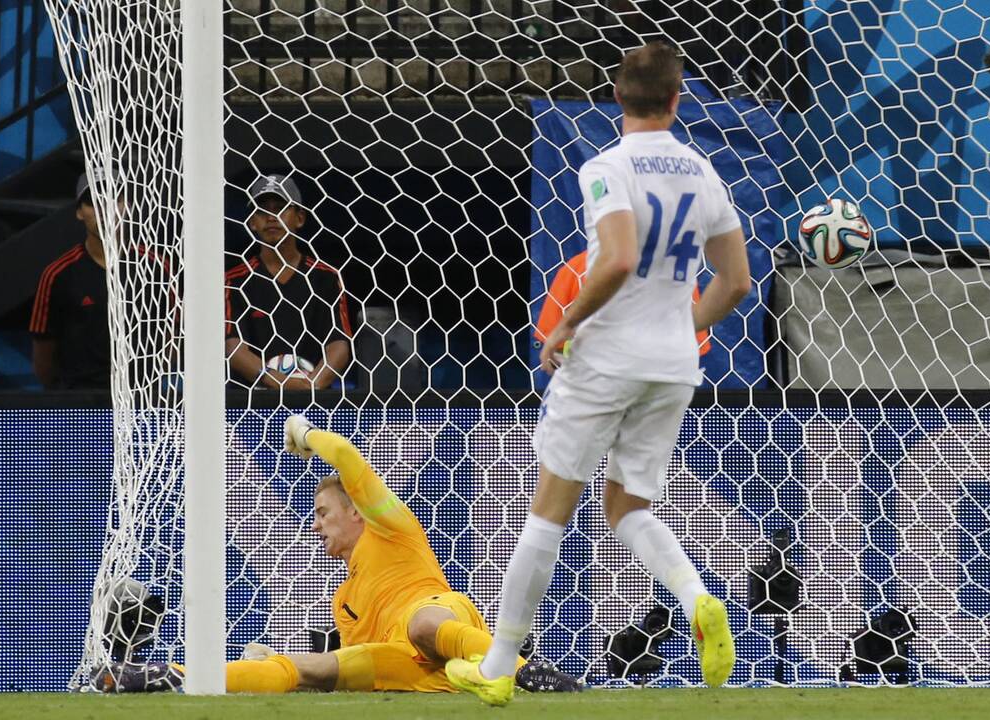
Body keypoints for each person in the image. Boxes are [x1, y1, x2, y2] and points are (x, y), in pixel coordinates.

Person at [446, 41, 752, 705]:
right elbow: (736, 280)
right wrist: (687, 326)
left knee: (548, 512)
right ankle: (698, 597)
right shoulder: (704, 173)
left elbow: (616, 258)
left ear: (617, 96)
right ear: (677, 100)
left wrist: (565, 324)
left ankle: (497, 668)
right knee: (627, 507)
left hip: (608, 357)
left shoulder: (607, 167)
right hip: (672, 366)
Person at [94, 415, 580, 695]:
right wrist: (278, 659)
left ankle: (527, 673)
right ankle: (170, 676)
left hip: (435, 615)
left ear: (356, 514)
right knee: (305, 667)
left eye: (324, 512)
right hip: (411, 668)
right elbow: (355, 658)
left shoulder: (392, 529)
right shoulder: (342, 600)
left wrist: (301, 432)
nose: (314, 523)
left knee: (423, 625)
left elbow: (346, 456)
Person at [225, 174, 353, 391]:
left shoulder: (326, 277)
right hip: (250, 406)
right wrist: (281, 383)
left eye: (280, 208)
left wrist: (312, 387)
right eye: (263, 210)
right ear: (252, 223)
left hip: (314, 401)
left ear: (300, 218)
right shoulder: (235, 280)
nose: (271, 217)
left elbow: (339, 345)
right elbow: (234, 348)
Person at [535, 248, 711, 358]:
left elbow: (554, 348)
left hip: (591, 391)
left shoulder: (675, 274)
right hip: (649, 392)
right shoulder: (676, 274)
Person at [28, 170, 115, 389]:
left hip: (143, 401)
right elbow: (43, 355)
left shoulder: (154, 266)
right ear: (79, 212)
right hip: (79, 402)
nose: (104, 209)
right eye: (94, 202)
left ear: (128, 206)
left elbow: (175, 333)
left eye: (114, 198)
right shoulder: (58, 274)